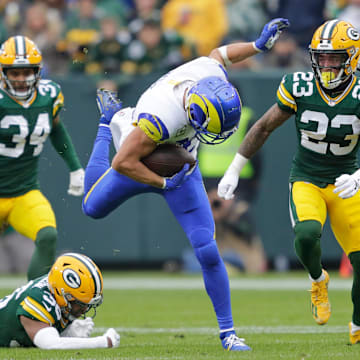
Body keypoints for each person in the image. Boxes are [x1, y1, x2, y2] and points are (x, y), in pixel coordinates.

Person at [82, 18, 289, 351]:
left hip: (180, 167)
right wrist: (163, 182)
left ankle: (229, 334)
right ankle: (106, 123)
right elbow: (123, 162)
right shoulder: (158, 118)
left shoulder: (211, 77)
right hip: (140, 156)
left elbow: (219, 53)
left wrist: (257, 46)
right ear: (194, 112)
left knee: (207, 249)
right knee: (91, 207)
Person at [217, 19, 360, 345]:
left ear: (352, 58)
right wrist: (235, 168)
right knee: (308, 234)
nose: (325, 64)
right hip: (307, 178)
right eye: (320, 57)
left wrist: (357, 176)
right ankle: (317, 279)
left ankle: (357, 325)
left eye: (333, 58)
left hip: (346, 182)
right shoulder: (300, 85)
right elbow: (264, 127)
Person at [0, 36, 85, 280]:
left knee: (48, 236)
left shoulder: (50, 95)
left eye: (26, 72)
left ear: (38, 71)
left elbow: (56, 128)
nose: (20, 79)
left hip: (23, 192)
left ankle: (34, 305)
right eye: (13, 73)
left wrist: (75, 167)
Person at [0, 252, 120, 349]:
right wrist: (104, 342)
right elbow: (50, 344)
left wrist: (67, 332)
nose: (84, 310)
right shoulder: (39, 298)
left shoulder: (54, 289)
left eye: (87, 305)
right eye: (79, 304)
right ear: (61, 293)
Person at [198, 105, 267, 273]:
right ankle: (228, 265)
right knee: (222, 224)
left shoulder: (205, 114)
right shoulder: (245, 116)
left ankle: (251, 264)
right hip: (232, 181)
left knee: (234, 222)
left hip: (227, 180)